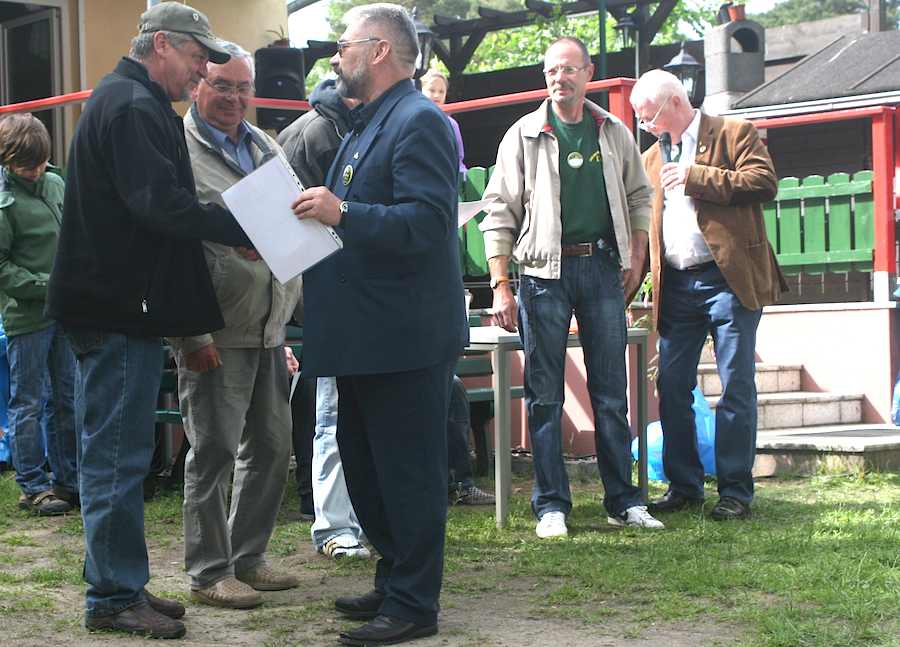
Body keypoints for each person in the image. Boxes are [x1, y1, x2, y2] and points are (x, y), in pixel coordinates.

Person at [45, 3, 251, 639]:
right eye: (196, 57)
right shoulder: (133, 107)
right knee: (115, 458)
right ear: (160, 44)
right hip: (115, 311)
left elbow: (160, 206)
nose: (201, 71)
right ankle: (111, 597)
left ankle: (120, 583)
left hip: (115, 308)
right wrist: (241, 226)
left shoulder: (127, 100)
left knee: (119, 454)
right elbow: (162, 207)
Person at [292, 4, 467, 645]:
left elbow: (425, 223)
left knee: (408, 474)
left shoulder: (418, 121)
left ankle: (415, 604)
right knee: (367, 471)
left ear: (380, 51)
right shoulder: (369, 124)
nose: (336, 58)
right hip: (366, 336)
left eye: (345, 46)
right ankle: (395, 579)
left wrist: (342, 213)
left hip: (404, 338)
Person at [480, 37, 663, 539]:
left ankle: (623, 501)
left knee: (611, 393)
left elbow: (639, 195)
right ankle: (551, 505)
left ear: (588, 74)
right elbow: (499, 212)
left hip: (603, 267)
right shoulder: (522, 134)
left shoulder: (613, 131)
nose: (559, 78)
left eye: (569, 70)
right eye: (551, 71)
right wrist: (501, 286)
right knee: (544, 395)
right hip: (542, 275)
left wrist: (639, 252)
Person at [173, 42, 302, 610]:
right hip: (215, 330)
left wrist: (286, 324)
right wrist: (191, 335)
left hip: (269, 326)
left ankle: (248, 559)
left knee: (273, 449)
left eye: (243, 87)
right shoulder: (180, 149)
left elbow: (291, 224)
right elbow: (174, 252)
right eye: (223, 85)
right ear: (199, 83)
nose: (234, 98)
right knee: (214, 452)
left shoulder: (265, 145)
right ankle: (208, 572)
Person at [630, 69, 786, 521]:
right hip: (677, 284)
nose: (647, 128)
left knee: (736, 383)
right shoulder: (650, 159)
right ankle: (685, 486)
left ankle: (735, 491)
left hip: (728, 279)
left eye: (648, 118)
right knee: (673, 384)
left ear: (674, 103)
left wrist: (699, 177)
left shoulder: (734, 133)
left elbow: (763, 182)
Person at [277, 78, 370, 559]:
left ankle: (345, 521)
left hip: (330, 292)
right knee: (331, 413)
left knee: (337, 411)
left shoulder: (332, 127)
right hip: (328, 290)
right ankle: (334, 524)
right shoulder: (324, 134)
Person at [0, 113, 77, 516]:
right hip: (27, 316)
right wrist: (46, 287)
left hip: (64, 312)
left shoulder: (56, 183)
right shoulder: (3, 203)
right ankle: (32, 484)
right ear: (6, 160)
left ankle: (68, 479)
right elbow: (2, 266)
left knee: (66, 396)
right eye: (24, 165)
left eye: (39, 162)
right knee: (28, 400)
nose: (33, 171)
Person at [420, 68, 466, 174]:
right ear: (422, 90)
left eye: (441, 91)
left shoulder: (452, 124)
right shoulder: (411, 120)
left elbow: (459, 158)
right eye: (432, 90)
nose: (437, 95)